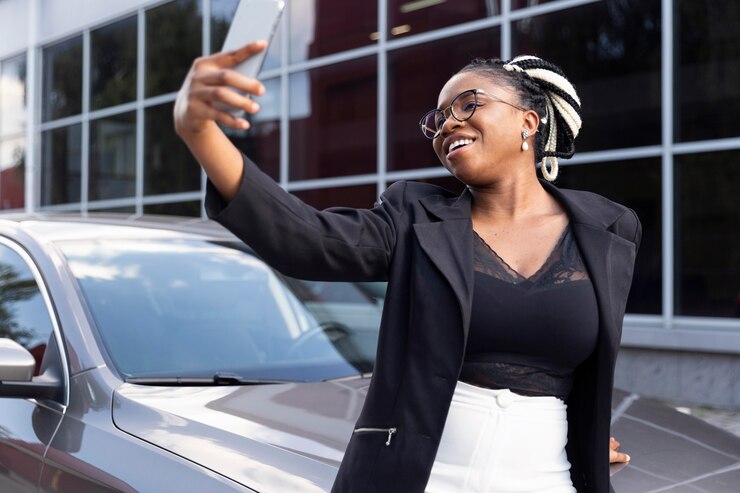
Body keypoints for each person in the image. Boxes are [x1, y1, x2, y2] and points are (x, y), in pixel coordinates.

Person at [174, 41, 639, 493]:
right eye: (437, 119)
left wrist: (586, 433)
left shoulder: (609, 230)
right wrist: (199, 131)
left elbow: (591, 373)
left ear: (528, 121)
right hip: (418, 477)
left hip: (546, 478)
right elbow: (306, 240)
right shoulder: (413, 216)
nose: (445, 125)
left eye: (466, 104)